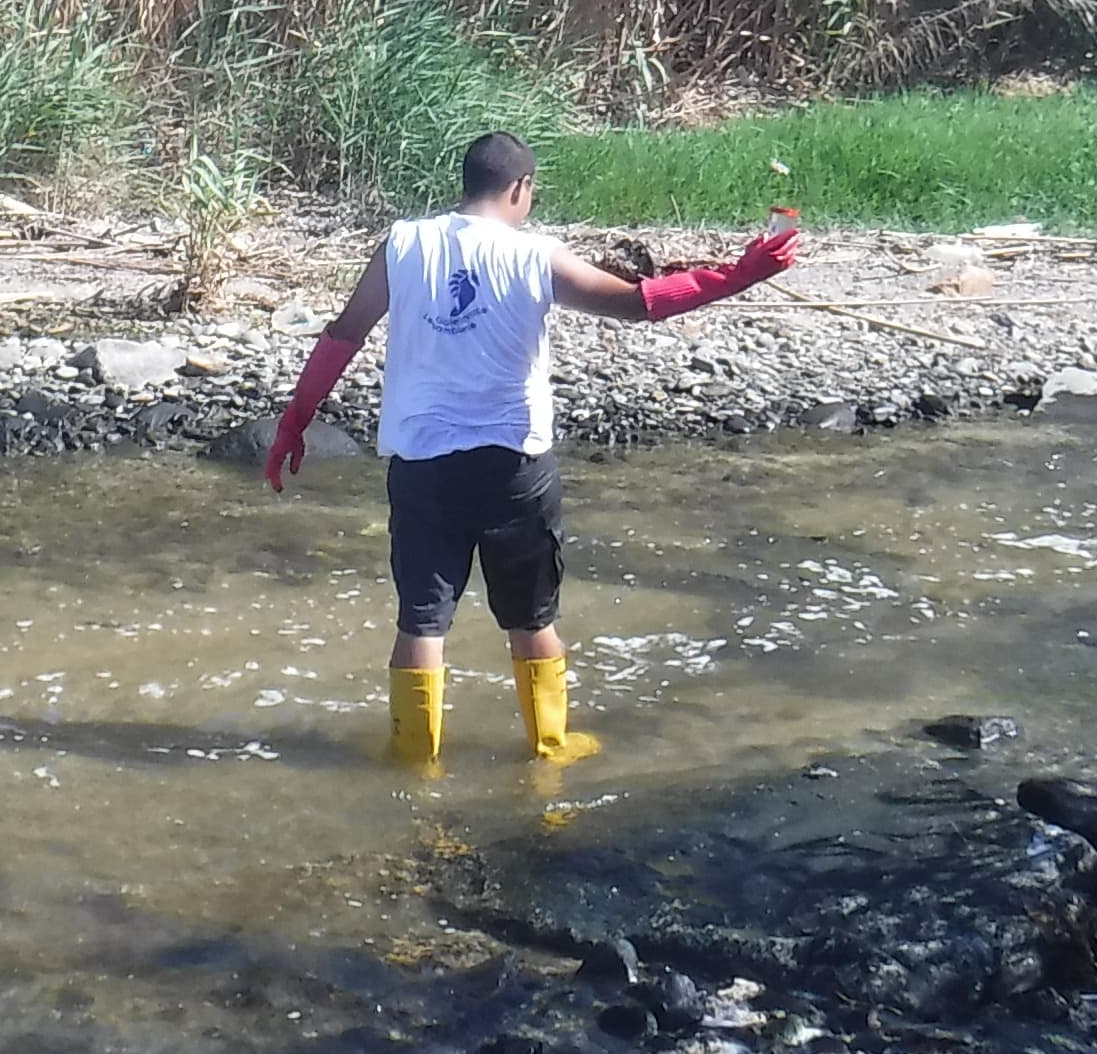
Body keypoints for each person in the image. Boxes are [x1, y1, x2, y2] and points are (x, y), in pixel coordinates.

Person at [261, 130, 801, 768]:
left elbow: (343, 333)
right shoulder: (535, 255)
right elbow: (637, 305)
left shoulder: (402, 244)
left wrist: (294, 423)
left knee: (422, 621)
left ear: (468, 184)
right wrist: (742, 273)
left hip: (423, 462)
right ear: (519, 189)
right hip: (513, 462)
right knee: (531, 619)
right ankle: (550, 748)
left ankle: (414, 757)